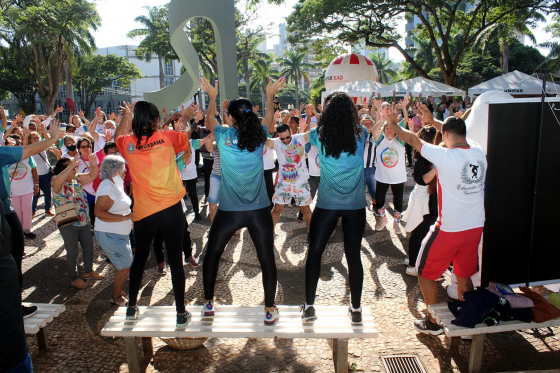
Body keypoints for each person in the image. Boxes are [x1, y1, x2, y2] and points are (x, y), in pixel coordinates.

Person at [385, 102, 487, 335]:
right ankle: (467, 324)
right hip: (475, 227)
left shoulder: (444, 156)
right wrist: (434, 122)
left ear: (447, 136)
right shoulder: (478, 150)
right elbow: (456, 133)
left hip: (449, 229)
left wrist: (393, 124)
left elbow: (413, 140)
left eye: (444, 134)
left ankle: (432, 322)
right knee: (463, 274)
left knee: (423, 272)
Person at [199, 77, 284, 325]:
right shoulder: (259, 134)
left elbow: (209, 120)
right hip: (259, 211)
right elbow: (268, 119)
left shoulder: (223, 135)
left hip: (229, 211)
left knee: (212, 253)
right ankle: (269, 309)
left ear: (231, 118)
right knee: (267, 258)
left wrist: (213, 97)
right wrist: (269, 96)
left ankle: (208, 304)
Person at [114, 100, 196, 328]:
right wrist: (186, 119)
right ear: (155, 120)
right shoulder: (167, 137)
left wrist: (126, 117)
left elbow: (116, 136)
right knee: (176, 261)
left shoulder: (127, 143)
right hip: (171, 209)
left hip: (144, 212)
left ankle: (131, 308)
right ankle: (180, 313)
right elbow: (186, 137)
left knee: (140, 258)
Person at [302, 92, 369, 325]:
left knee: (315, 253)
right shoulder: (362, 134)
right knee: (353, 256)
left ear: (327, 112)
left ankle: (309, 306)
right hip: (355, 206)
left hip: (327, 204)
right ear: (351, 111)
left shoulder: (318, 134)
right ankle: (356, 309)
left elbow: (304, 137)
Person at [1, 115, 62, 319]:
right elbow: (30, 150)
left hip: (5, 207)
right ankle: (13, 307)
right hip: (3, 210)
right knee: (12, 257)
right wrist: (52, 138)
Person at [52, 156, 104, 288]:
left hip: (83, 221)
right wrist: (70, 166)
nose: (75, 169)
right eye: (72, 167)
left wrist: (93, 165)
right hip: (68, 223)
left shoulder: (77, 179)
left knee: (88, 246)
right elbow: (58, 181)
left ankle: (88, 271)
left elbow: (92, 175)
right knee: (72, 251)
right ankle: (74, 278)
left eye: (74, 167)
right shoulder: (56, 181)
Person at [94, 155, 133, 306]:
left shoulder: (115, 184)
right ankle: (116, 297)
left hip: (118, 234)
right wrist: (126, 217)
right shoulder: (107, 187)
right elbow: (99, 212)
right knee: (124, 265)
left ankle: (119, 292)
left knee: (124, 264)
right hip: (110, 234)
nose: (125, 170)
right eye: (123, 167)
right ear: (114, 170)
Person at [402, 126, 438, 276]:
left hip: (425, 197)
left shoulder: (425, 155)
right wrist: (438, 168)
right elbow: (421, 179)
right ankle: (413, 265)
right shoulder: (425, 157)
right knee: (421, 231)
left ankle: (412, 258)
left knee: (421, 231)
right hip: (424, 198)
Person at [371, 98, 409, 234]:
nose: (388, 130)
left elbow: (404, 123)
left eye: (390, 128)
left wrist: (404, 108)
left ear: (395, 130)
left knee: (398, 202)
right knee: (379, 200)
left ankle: (397, 223)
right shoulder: (380, 140)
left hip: (398, 178)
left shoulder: (400, 140)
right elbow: (375, 131)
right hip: (382, 177)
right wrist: (382, 119)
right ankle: (383, 218)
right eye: (386, 128)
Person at [269, 123, 312, 232]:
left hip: (301, 182)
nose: (285, 140)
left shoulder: (300, 138)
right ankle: (269, 234)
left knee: (306, 209)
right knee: (277, 209)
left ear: (291, 132)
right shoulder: (276, 143)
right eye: (282, 138)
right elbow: (261, 138)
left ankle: (311, 234)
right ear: (278, 136)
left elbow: (314, 132)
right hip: (284, 183)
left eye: (287, 137)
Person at [7, 134, 39, 239]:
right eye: (15, 143)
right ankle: (18, 230)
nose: (17, 145)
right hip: (12, 190)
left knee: (26, 208)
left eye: (19, 143)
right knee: (16, 210)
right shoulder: (5, 157)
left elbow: (34, 170)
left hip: (27, 188)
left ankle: (27, 229)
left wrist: (36, 184)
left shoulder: (27, 156)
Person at [29, 127, 55, 217]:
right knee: (36, 193)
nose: (36, 139)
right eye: (33, 138)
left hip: (46, 172)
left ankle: (48, 209)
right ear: (30, 140)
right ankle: (32, 210)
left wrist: (44, 131)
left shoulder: (42, 145)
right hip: (35, 174)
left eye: (37, 137)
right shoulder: (28, 148)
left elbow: (49, 141)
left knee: (48, 192)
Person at [361, 115, 377, 210]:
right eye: (366, 124)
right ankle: (361, 209)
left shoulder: (376, 136)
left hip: (372, 168)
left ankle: (375, 206)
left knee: (374, 190)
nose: (368, 125)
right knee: (360, 191)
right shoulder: (358, 136)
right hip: (360, 169)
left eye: (370, 123)